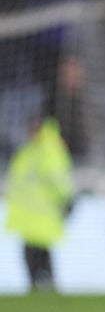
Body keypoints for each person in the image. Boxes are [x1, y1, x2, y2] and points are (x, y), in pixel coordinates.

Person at [4, 116, 74, 292]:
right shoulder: (28, 151)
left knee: (40, 253)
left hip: (43, 213)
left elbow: (58, 177)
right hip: (28, 215)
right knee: (32, 253)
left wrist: (67, 199)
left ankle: (46, 287)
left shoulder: (48, 150)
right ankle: (38, 288)